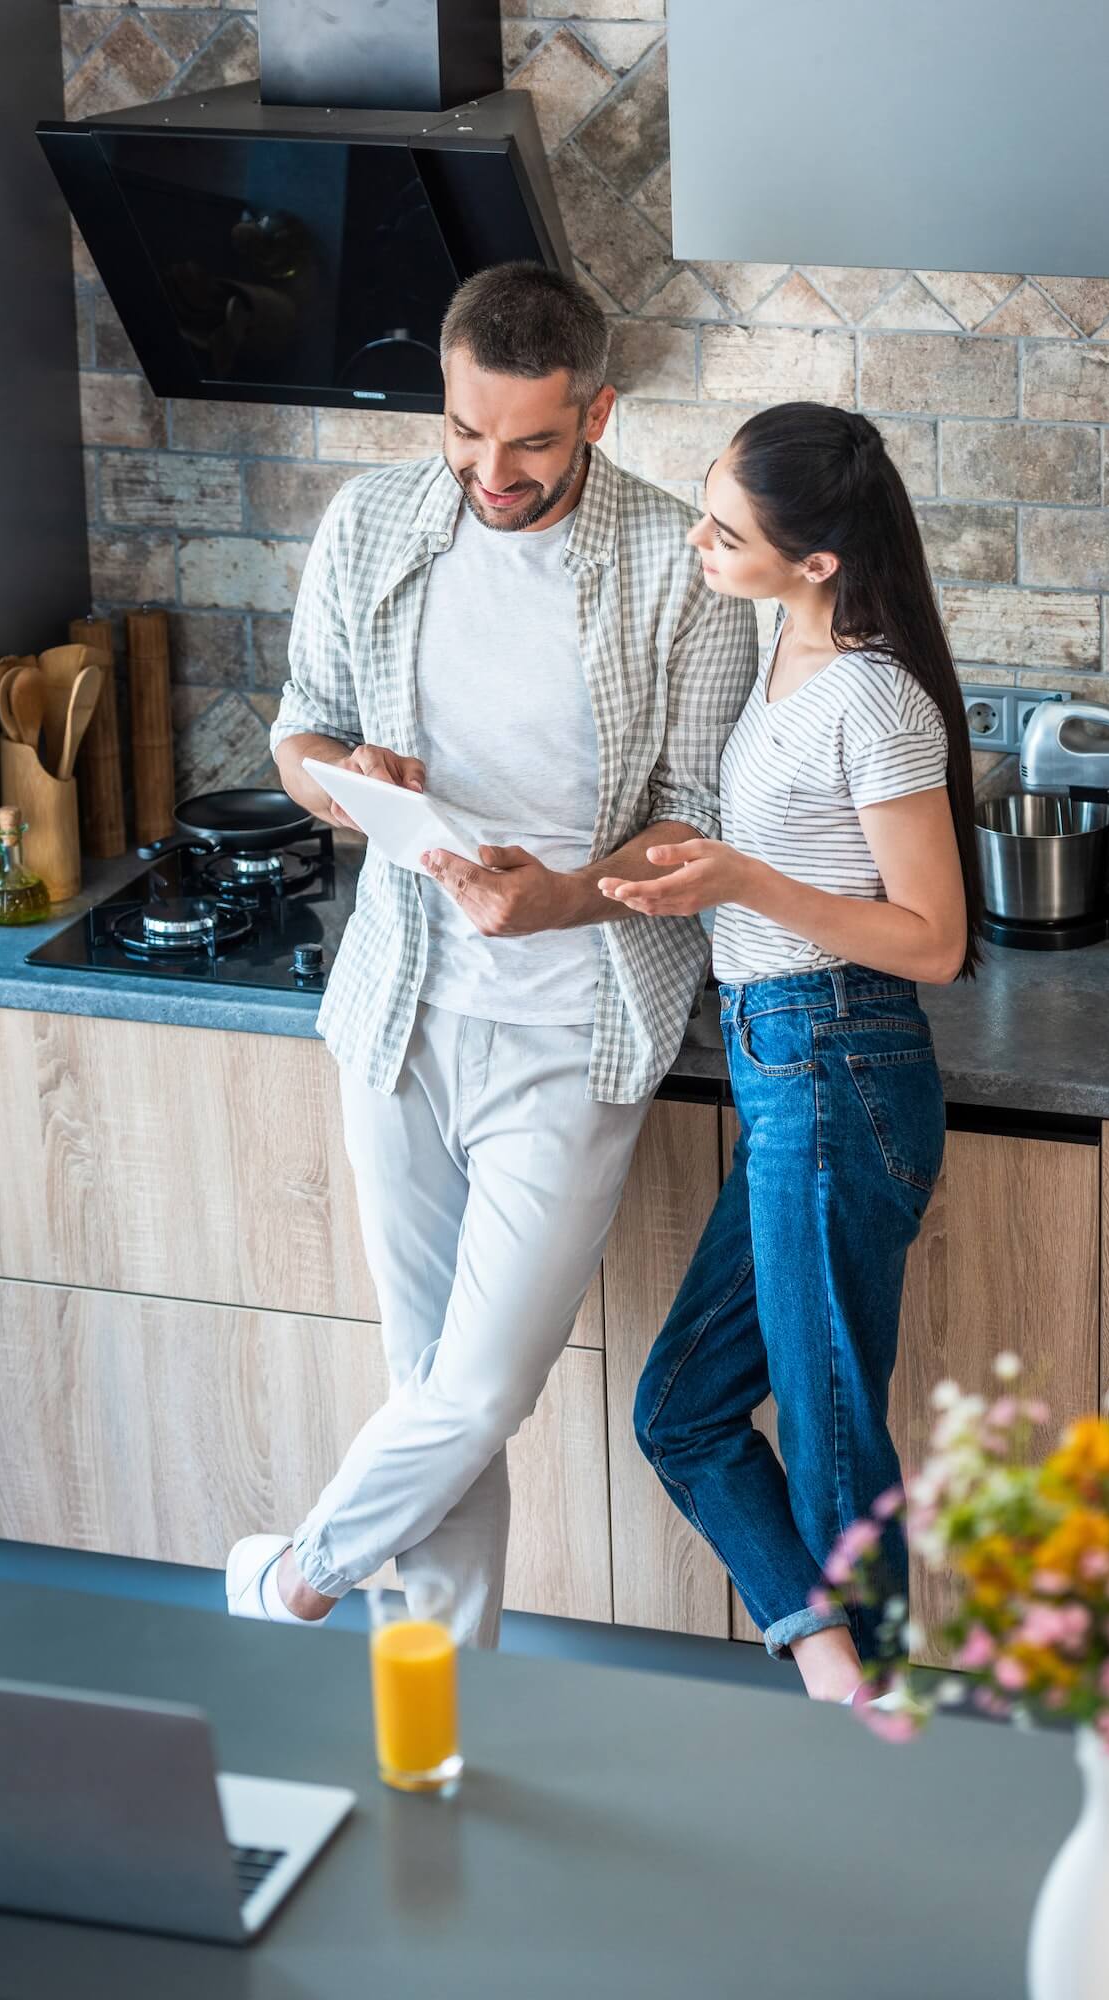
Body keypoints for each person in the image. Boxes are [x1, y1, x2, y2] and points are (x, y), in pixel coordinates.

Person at [226, 262, 757, 1643]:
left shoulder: (679, 566)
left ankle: (292, 1580)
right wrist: (344, 778)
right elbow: (299, 728)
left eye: (529, 439)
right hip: (400, 1011)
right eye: (466, 431)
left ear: (598, 413)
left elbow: (697, 813)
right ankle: (441, 1721)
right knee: (427, 1386)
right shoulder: (373, 520)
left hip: (574, 1027)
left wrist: (571, 896)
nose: (491, 469)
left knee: (477, 1392)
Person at [599, 403, 984, 1702]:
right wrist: (701, 875)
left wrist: (748, 881)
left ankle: (867, 1734)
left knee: (829, 1440)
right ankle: (835, 1670)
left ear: (817, 560)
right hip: (785, 1066)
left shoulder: (875, 701)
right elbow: (784, 862)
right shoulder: (783, 650)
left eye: (726, 528)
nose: (700, 537)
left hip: (838, 1058)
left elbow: (933, 940)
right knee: (683, 1410)